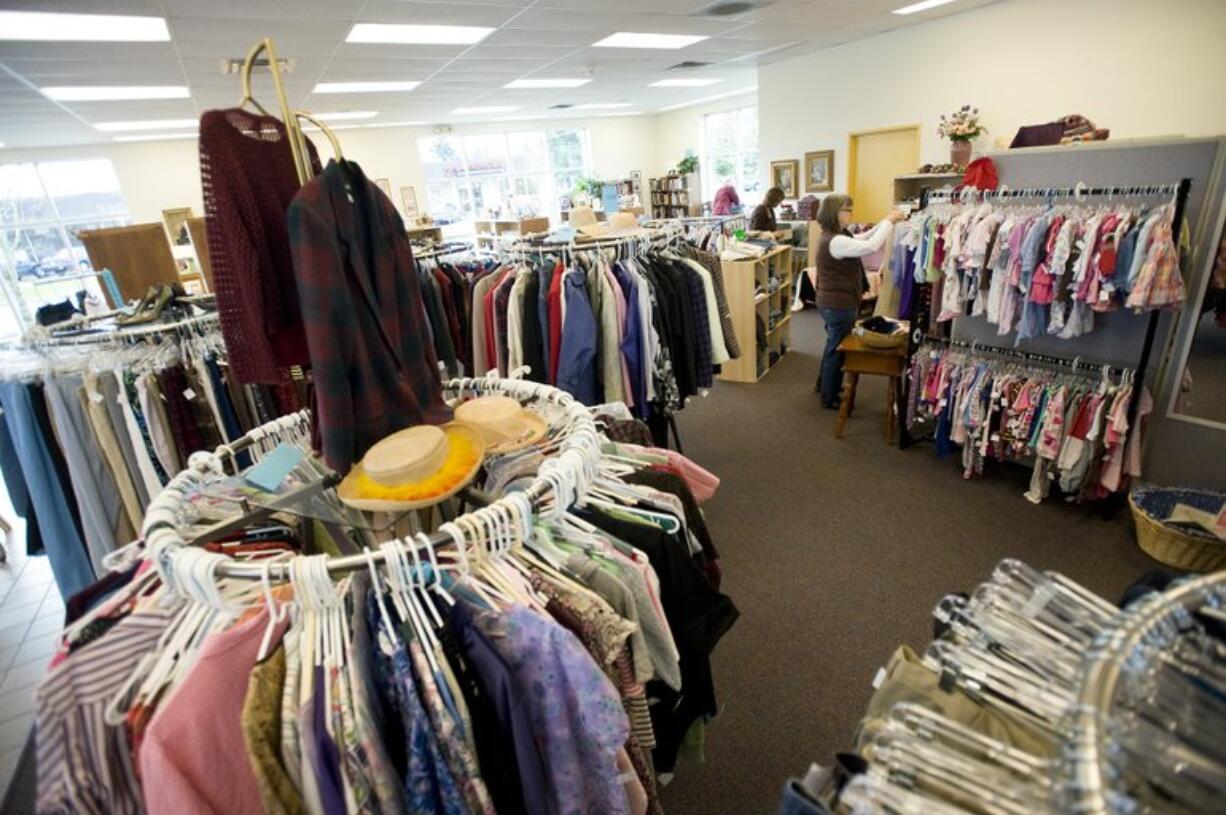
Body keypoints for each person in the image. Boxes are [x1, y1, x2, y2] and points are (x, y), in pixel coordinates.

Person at [813, 195, 906, 408]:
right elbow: (871, 246)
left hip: (833, 301)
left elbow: (864, 238)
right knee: (837, 349)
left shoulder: (835, 236)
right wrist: (889, 221)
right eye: (847, 209)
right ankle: (829, 396)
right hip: (837, 304)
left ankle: (824, 385)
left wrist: (885, 221)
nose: (851, 213)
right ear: (834, 212)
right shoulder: (835, 240)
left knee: (833, 345)